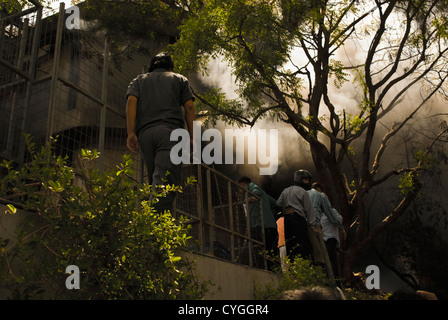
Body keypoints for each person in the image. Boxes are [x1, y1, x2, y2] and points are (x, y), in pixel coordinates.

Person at [126, 52, 196, 214]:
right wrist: (192, 137)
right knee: (165, 185)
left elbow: (131, 101)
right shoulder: (179, 79)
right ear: (170, 67)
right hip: (170, 134)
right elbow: (190, 108)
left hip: (146, 135)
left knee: (155, 184)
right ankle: (150, 229)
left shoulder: (139, 80)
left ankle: (162, 229)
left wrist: (131, 132)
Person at [238, 176, 278, 270]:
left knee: (260, 251)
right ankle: (274, 271)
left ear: (243, 184)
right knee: (270, 251)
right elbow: (275, 203)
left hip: (262, 226)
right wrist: (271, 216)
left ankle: (265, 270)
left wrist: (250, 199)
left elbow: (257, 193)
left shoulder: (251, 186)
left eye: (240, 187)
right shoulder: (265, 194)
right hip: (270, 226)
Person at [276, 169, 317, 261]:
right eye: (305, 179)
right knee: (302, 244)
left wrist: (283, 210)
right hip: (298, 219)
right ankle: (304, 268)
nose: (307, 182)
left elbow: (278, 203)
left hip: (287, 220)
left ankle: (294, 269)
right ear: (299, 179)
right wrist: (313, 226)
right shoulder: (303, 192)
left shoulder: (285, 190)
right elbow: (309, 209)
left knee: (290, 245)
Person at [308, 182, 344, 278]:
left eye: (320, 193)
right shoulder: (312, 211)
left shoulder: (330, 211)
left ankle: (335, 283)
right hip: (320, 239)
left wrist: (340, 228)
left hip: (330, 239)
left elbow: (338, 218)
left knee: (331, 262)